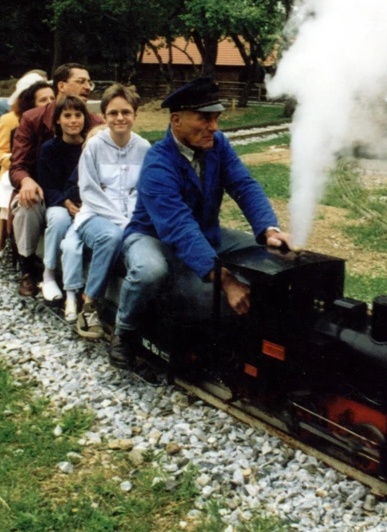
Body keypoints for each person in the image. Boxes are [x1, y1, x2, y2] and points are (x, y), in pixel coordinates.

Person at [110, 76, 292, 367]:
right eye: (205, 119)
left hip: (204, 234)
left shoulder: (218, 144)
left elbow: (243, 185)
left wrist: (269, 229)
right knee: (150, 271)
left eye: (217, 118)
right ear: (177, 120)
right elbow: (178, 227)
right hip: (152, 236)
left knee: (262, 255)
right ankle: (124, 332)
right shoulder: (158, 163)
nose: (215, 127)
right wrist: (227, 282)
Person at [62, 83, 150, 336]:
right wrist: (123, 222)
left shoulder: (144, 148)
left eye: (125, 112)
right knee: (111, 236)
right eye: (112, 113)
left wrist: (134, 220)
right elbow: (89, 192)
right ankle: (90, 305)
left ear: (135, 115)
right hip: (95, 216)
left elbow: (144, 190)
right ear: (104, 116)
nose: (120, 118)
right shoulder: (94, 147)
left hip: (132, 217)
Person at [9, 63, 104, 296]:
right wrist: (26, 181)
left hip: (80, 193)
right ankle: (28, 267)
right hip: (41, 188)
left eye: (89, 82)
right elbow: (18, 164)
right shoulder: (32, 119)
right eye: (81, 81)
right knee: (27, 204)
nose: (88, 87)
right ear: (61, 86)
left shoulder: (94, 122)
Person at [0, 78, 55, 260]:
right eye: (43, 100)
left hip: (42, 170)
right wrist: (19, 163)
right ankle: (0, 233)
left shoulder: (56, 121)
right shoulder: (10, 120)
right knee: (10, 186)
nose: (49, 104)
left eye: (52, 99)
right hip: (14, 167)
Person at [36, 95, 92, 302]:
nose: (73, 120)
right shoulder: (49, 149)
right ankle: (49, 273)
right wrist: (66, 202)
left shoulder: (90, 145)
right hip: (59, 201)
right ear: (58, 120)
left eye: (78, 115)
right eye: (67, 116)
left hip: (87, 202)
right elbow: (47, 185)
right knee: (59, 220)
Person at [0, 70, 47, 228]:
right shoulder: (7, 115)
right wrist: (17, 162)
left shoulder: (53, 117)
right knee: (3, 174)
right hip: (12, 162)